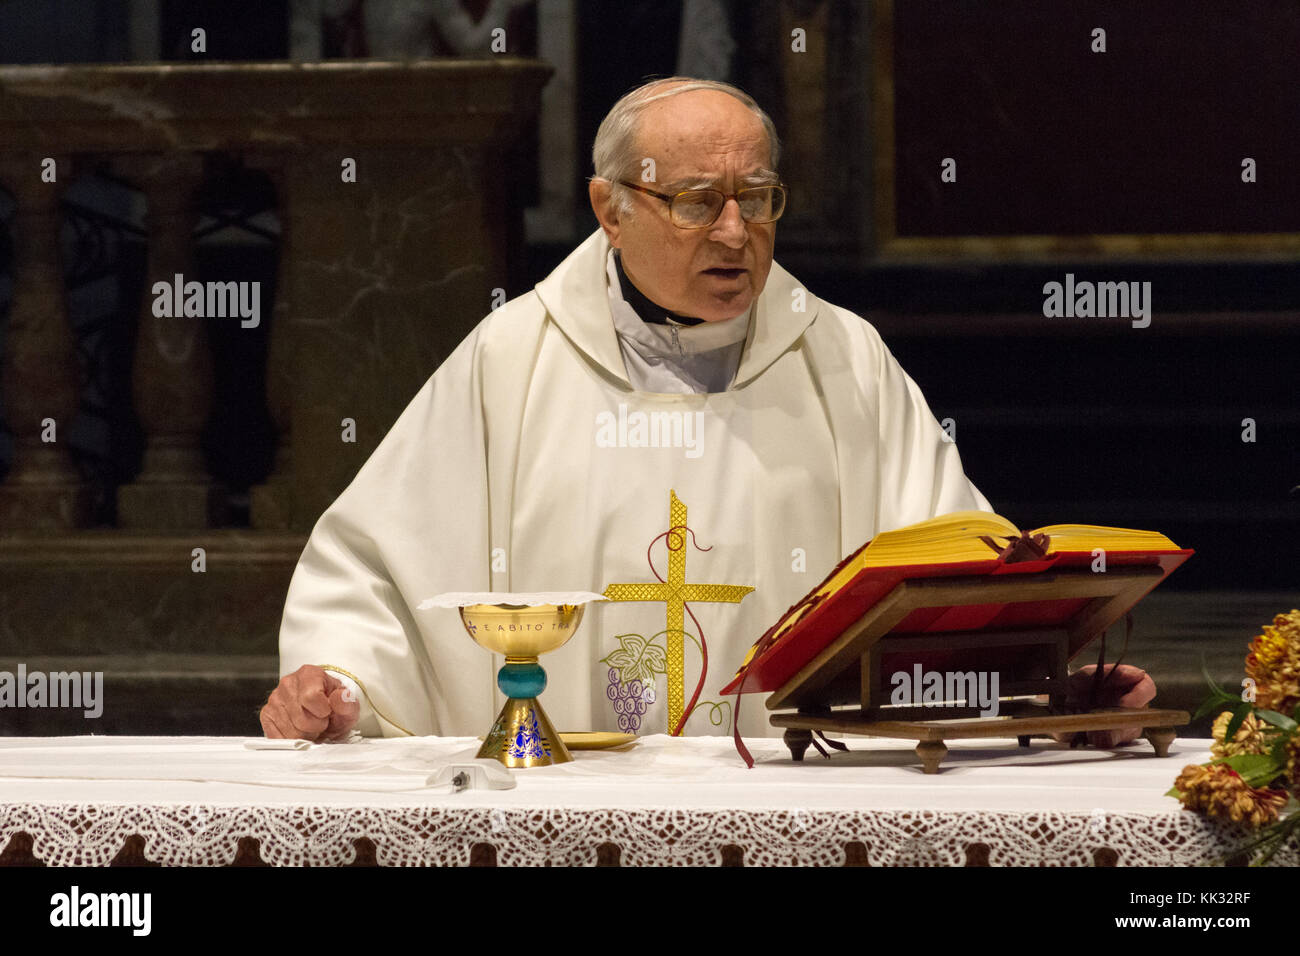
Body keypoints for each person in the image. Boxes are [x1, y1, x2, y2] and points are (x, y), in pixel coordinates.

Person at [260, 76, 994, 743]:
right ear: (611, 210)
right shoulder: (513, 360)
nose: (736, 233)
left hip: (790, 806)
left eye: (759, 198)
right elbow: (376, 566)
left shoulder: (844, 362)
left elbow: (952, 569)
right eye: (696, 202)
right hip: (561, 815)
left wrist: (1038, 685)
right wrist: (339, 685)